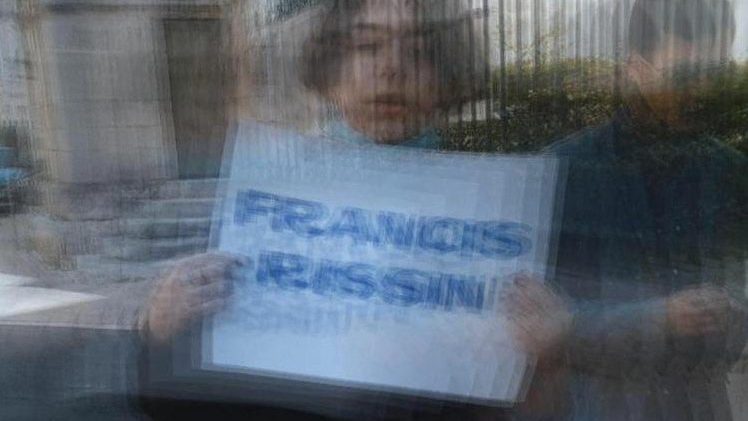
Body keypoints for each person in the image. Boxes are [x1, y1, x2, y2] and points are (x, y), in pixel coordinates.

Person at [137, 1, 500, 420]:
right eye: (367, 46)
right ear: (330, 71)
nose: (391, 68)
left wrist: (543, 361)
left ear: (449, 78)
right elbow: (178, 404)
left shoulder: (491, 217)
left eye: (419, 51)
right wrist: (163, 330)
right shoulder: (259, 206)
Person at [503, 0, 748, 419]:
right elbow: (530, 324)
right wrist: (660, 319)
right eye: (686, 75)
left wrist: (730, 312)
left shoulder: (730, 173)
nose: (703, 90)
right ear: (636, 69)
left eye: (715, 73)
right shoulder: (562, 174)